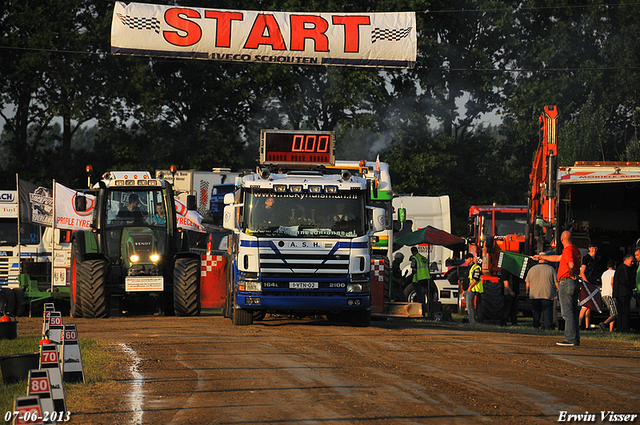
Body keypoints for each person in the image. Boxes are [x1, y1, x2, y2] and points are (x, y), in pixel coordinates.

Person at [534, 231, 581, 347]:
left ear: (561, 239)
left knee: (567, 312)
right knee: (574, 312)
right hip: (574, 283)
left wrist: (570, 273)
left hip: (567, 282)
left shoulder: (568, 250)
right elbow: (558, 258)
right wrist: (541, 257)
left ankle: (569, 339)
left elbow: (571, 264)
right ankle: (575, 338)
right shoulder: (575, 250)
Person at [525, 258, 557, 330]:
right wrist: (558, 290)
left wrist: (527, 290)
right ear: (546, 260)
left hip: (535, 294)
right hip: (547, 293)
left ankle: (536, 325)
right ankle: (547, 326)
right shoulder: (551, 269)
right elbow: (556, 282)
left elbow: (527, 282)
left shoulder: (532, 269)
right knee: (547, 310)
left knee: (536, 310)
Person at [579, 243, 601, 330]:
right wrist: (587, 283)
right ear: (589, 248)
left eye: (595, 248)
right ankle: (579, 324)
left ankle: (587, 325)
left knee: (589, 306)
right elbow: (582, 272)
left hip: (592, 284)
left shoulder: (595, 259)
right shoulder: (586, 258)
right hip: (587, 285)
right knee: (585, 305)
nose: (594, 250)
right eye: (592, 248)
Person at [613, 254, 635, 333]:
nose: (632, 263)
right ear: (626, 260)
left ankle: (620, 328)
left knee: (620, 312)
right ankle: (624, 328)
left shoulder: (620, 269)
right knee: (625, 312)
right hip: (623, 293)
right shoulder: (624, 269)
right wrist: (633, 286)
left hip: (619, 293)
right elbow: (625, 281)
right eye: (631, 261)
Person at [463, 253, 483, 324]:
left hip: (472, 289)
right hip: (468, 289)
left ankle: (472, 322)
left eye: (467, 258)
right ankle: (471, 320)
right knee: (469, 306)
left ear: (471, 259)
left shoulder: (476, 267)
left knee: (470, 306)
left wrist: (470, 287)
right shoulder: (469, 267)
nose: (465, 260)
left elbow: (475, 279)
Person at [410, 247, 430, 316]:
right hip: (425, 279)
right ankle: (425, 312)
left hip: (418, 280)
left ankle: (422, 313)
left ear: (412, 252)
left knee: (420, 298)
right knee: (423, 297)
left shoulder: (414, 258)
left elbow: (414, 269)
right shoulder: (423, 258)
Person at [599, 260, 617, 332]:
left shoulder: (604, 274)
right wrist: (614, 293)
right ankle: (604, 323)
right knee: (615, 313)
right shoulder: (614, 273)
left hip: (603, 293)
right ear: (615, 266)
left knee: (611, 312)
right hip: (610, 294)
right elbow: (612, 282)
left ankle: (611, 329)